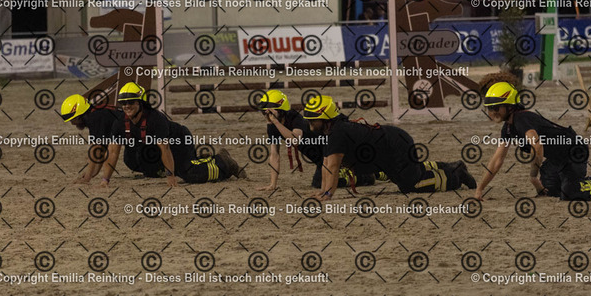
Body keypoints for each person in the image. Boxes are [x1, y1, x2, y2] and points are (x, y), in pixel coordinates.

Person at [303, 95, 476, 200]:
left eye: (312, 119)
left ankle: (456, 175)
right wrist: (322, 191)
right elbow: (326, 164)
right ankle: (449, 166)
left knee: (411, 185)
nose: (309, 123)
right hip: (390, 146)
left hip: (396, 145)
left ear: (326, 118)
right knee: (409, 175)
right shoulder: (332, 130)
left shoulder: (338, 133)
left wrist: (328, 195)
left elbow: (333, 166)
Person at [474, 82, 591, 201]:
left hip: (574, 152)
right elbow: (497, 161)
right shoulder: (508, 128)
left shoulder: (521, 119)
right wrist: (480, 189)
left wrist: (533, 176)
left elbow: (537, 147)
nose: (492, 112)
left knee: (570, 193)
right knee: (551, 191)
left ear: (510, 106)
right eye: (489, 108)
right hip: (556, 160)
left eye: (496, 107)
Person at [100, 82, 245, 187]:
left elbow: (165, 148)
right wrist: (105, 180)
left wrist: (170, 175)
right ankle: (197, 161)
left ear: (141, 103)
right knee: (131, 160)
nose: (126, 106)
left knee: (190, 174)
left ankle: (224, 162)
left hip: (178, 141)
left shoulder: (155, 119)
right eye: (123, 102)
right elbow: (112, 152)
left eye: (131, 101)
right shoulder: (119, 123)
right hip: (153, 147)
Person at [256, 90, 375, 191]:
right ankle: (359, 172)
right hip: (320, 159)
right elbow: (274, 155)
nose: (266, 115)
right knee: (319, 182)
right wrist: (273, 184)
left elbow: (295, 140)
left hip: (331, 151)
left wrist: (276, 123)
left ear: (281, 110)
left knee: (319, 183)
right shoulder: (272, 125)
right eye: (263, 112)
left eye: (269, 111)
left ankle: (366, 177)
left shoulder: (294, 118)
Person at [60, 94, 124, 184]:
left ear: (80, 115)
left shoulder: (95, 117)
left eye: (73, 120)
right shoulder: (97, 113)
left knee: (130, 160)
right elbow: (101, 150)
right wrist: (93, 173)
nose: (72, 124)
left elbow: (95, 150)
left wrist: (87, 177)